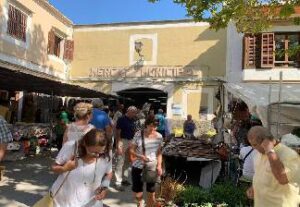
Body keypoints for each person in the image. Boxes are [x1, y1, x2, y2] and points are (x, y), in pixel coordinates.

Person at [51, 129, 112, 207]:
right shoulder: (71, 147)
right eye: (93, 152)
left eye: (100, 152)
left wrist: (104, 187)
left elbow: (109, 172)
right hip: (64, 202)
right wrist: (64, 168)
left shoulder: (106, 153)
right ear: (84, 144)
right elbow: (53, 167)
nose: (97, 155)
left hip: (92, 203)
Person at [246, 126, 300, 207]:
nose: (253, 148)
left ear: (265, 141)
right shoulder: (259, 155)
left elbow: (283, 179)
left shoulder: (289, 155)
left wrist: (270, 151)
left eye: (254, 144)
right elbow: (260, 175)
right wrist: (254, 187)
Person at [129, 116, 163, 207]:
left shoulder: (159, 136)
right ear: (146, 125)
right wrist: (139, 156)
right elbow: (131, 150)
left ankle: (149, 205)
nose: (153, 128)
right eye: (151, 126)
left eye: (155, 126)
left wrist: (159, 166)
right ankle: (139, 204)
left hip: (151, 167)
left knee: (151, 191)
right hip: (138, 166)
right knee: (138, 190)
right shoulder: (138, 134)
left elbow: (159, 153)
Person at [114, 106, 138, 191]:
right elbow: (117, 132)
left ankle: (124, 178)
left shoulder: (133, 120)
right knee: (120, 161)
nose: (135, 114)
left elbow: (134, 131)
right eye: (133, 112)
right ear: (128, 111)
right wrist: (118, 144)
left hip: (131, 141)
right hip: (122, 141)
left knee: (128, 161)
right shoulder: (121, 119)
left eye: (135, 113)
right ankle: (118, 182)